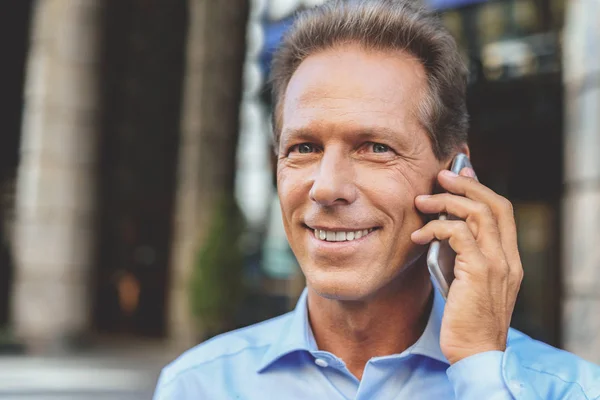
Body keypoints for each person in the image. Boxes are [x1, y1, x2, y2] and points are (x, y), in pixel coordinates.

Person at [153, 1, 600, 398]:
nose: (326, 188)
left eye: (376, 147)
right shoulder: (196, 385)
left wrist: (480, 370)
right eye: (303, 148)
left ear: (457, 177)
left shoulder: (568, 390)